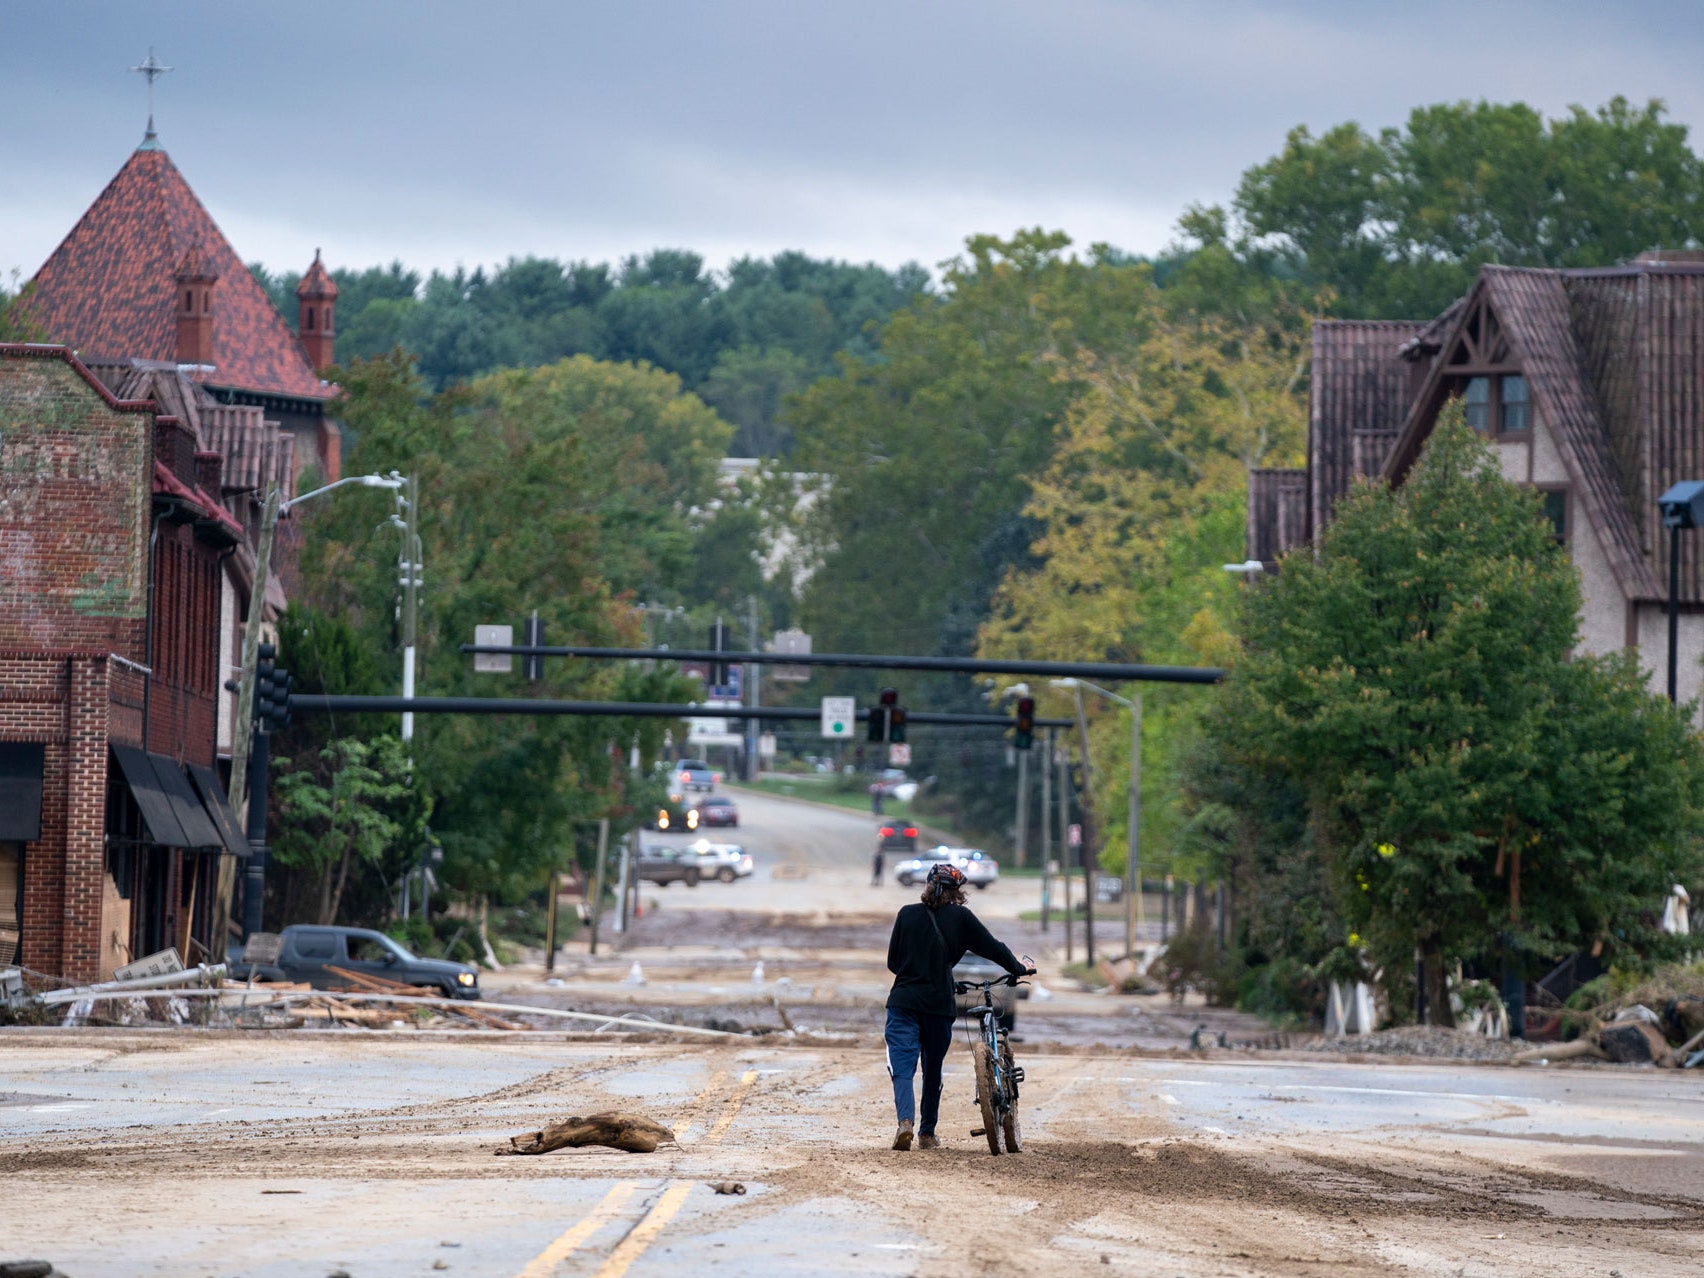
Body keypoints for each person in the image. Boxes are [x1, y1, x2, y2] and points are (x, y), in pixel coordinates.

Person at [884, 862, 1033, 1151]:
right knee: (932, 1067)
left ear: (927, 886)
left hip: (904, 1002)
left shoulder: (906, 914)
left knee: (902, 1066)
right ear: (958, 892)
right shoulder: (961, 918)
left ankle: (905, 1122)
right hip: (939, 1005)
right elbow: (993, 947)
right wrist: (1019, 967)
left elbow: (893, 962)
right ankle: (927, 1134)